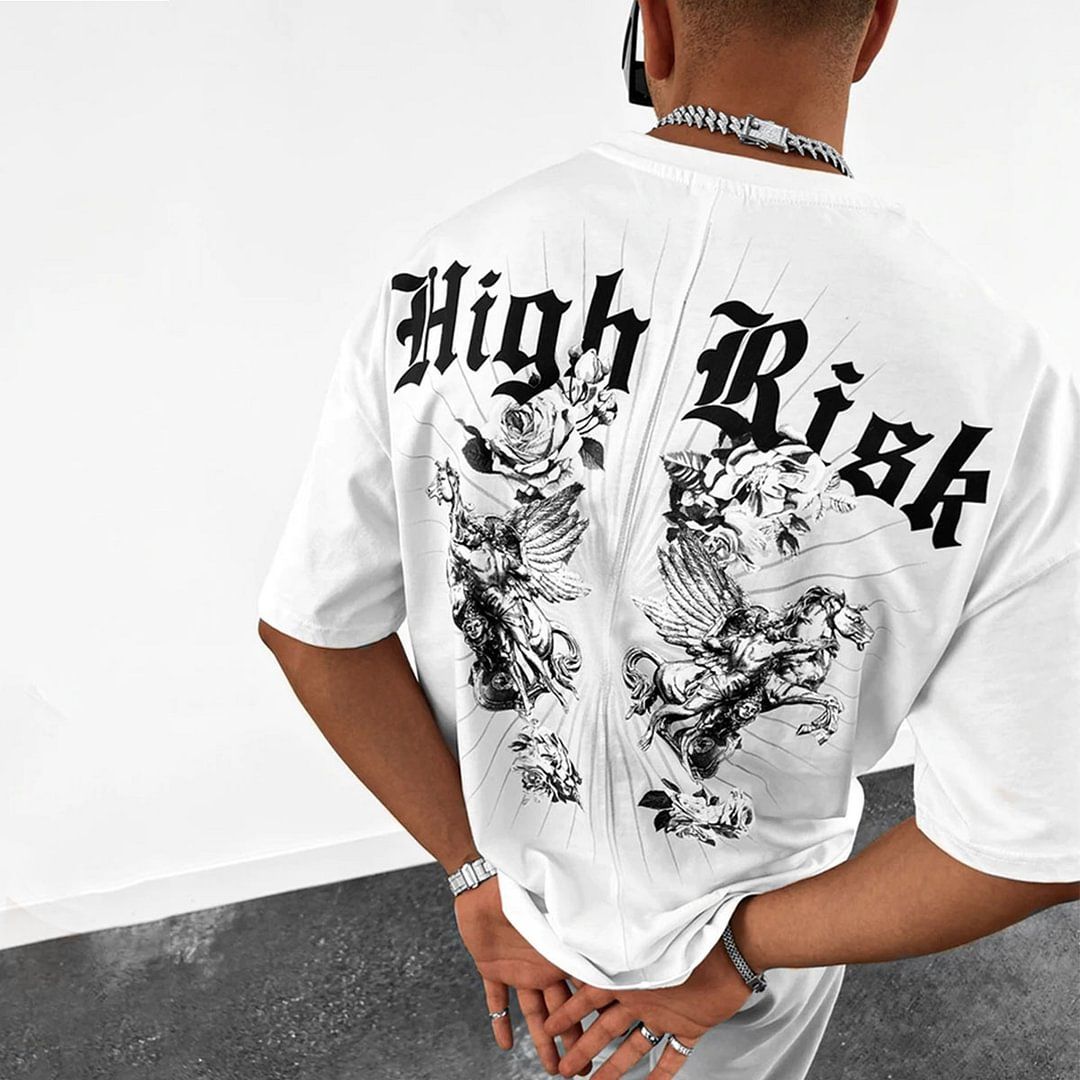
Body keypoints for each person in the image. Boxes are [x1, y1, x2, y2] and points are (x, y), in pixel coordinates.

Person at [255, 0, 1080, 1076]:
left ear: (655, 28)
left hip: (526, 907)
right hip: (745, 957)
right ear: (875, 30)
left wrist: (473, 871)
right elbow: (1041, 836)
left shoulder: (452, 262)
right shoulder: (995, 378)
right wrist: (729, 957)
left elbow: (315, 629)